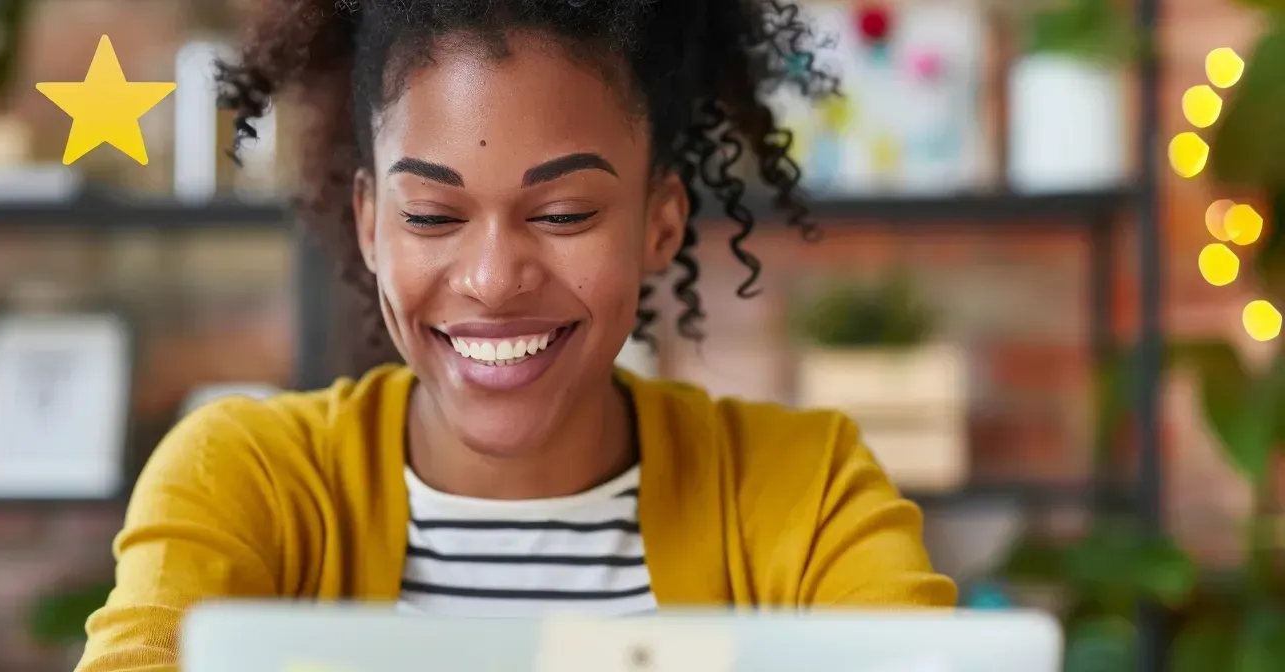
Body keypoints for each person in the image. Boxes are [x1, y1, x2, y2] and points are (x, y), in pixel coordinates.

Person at [77, 0, 956, 669]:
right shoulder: (245, 477)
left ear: (660, 222)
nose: (494, 280)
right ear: (370, 224)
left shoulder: (805, 492)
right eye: (431, 214)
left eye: (564, 212)